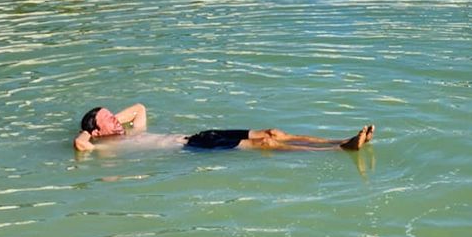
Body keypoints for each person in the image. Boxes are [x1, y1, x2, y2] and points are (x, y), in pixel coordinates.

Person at [73, 104, 375, 155]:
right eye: (108, 120)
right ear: (97, 133)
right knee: (265, 146)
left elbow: (139, 108)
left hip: (200, 134)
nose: (116, 120)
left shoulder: (129, 131)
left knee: (273, 132)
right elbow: (80, 144)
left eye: (114, 116)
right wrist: (95, 132)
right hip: (192, 148)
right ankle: (338, 151)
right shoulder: (105, 147)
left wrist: (110, 120)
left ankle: (340, 138)